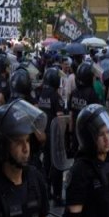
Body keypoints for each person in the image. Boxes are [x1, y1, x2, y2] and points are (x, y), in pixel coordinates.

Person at [38, 67, 66, 205]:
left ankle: (47, 192)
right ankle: (57, 196)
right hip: (54, 136)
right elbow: (60, 118)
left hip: (44, 133)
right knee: (57, 165)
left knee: (46, 163)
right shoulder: (56, 96)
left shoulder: (41, 93)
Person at [69, 62, 100, 156]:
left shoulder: (74, 93)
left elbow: (71, 114)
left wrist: (70, 133)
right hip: (88, 137)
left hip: (75, 135)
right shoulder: (92, 94)